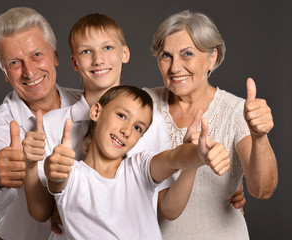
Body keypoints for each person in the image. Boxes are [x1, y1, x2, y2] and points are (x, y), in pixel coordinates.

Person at [21, 13, 171, 239]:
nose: (98, 60)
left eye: (108, 48)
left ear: (125, 53)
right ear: (74, 62)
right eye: (86, 51)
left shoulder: (154, 123)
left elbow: (165, 203)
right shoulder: (51, 124)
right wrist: (30, 168)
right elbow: (41, 212)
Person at [29, 85, 231, 239]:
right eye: (121, 115)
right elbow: (56, 179)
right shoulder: (73, 176)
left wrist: (198, 154)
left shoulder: (139, 167)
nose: (126, 130)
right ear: (96, 112)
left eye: (138, 128)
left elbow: (174, 158)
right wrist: (52, 167)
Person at [144, 10, 278, 239]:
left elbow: (262, 189)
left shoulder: (236, 111)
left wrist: (259, 137)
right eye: (166, 55)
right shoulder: (144, 105)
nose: (175, 67)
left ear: (212, 57)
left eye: (187, 54)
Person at [0, 7, 83, 240]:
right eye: (14, 63)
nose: (30, 72)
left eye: (37, 55)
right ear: (5, 73)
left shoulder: (89, 106)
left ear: (56, 56)